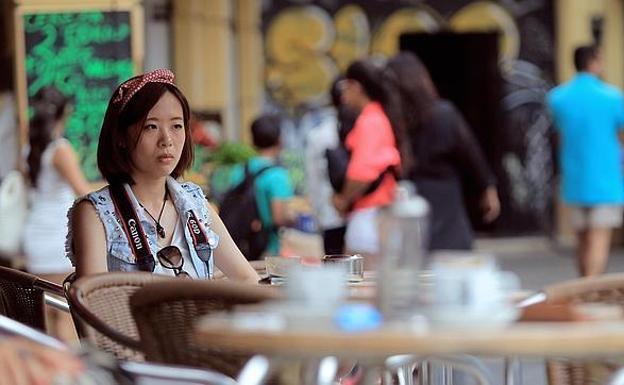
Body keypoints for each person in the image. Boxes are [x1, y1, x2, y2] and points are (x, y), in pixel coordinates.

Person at [67, 69, 259, 283]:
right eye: (151, 127)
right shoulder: (96, 213)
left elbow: (247, 278)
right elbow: (93, 305)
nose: (167, 139)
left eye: (177, 126)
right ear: (121, 136)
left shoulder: (194, 203)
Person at [385, 52, 500, 251]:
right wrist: (487, 187)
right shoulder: (444, 113)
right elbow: (470, 154)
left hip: (407, 197)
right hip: (446, 198)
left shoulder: (391, 119)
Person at [547, 45, 624, 276]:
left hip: (574, 177)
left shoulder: (557, 97)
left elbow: (558, 136)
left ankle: (582, 288)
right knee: (598, 239)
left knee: (582, 241)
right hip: (606, 179)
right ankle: (589, 290)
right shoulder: (612, 96)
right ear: (593, 62)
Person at [22, 86, 90, 341]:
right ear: (66, 112)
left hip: (35, 237)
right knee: (63, 313)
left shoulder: (29, 149)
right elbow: (82, 191)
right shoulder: (60, 149)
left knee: (44, 314)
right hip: (56, 240)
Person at [332, 59, 403, 269]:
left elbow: (361, 173)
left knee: (361, 288)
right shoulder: (379, 116)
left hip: (368, 217)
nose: (344, 94)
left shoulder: (370, 121)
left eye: (346, 86)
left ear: (357, 87)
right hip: (378, 216)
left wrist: (342, 200)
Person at [228, 114, 295, 257]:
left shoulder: (240, 169)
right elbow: (278, 217)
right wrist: (294, 218)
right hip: (267, 246)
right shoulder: (278, 175)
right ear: (279, 139)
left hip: (240, 244)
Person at [303, 77, 349, 255]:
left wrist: (318, 213)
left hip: (330, 215)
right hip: (357, 216)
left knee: (335, 272)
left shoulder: (319, 134)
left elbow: (313, 179)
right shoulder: (366, 128)